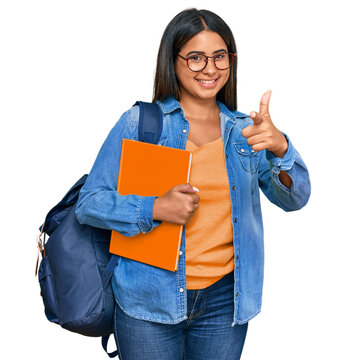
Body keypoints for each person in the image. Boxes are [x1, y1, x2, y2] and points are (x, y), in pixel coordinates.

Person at [75, 8, 311, 360]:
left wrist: (281, 148)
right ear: (173, 61)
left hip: (223, 301)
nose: (211, 69)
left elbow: (296, 198)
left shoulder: (245, 131)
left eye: (220, 57)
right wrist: (154, 207)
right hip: (149, 299)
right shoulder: (141, 124)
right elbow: (89, 203)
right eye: (197, 58)